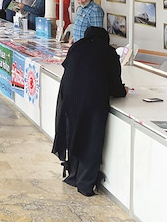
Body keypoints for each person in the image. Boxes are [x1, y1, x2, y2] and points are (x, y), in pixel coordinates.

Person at [52, 27, 127, 196]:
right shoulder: (109, 52)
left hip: (70, 96)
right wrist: (124, 91)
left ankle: (73, 175)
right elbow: (115, 86)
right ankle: (85, 182)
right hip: (93, 98)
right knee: (92, 139)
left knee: (74, 134)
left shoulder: (77, 47)